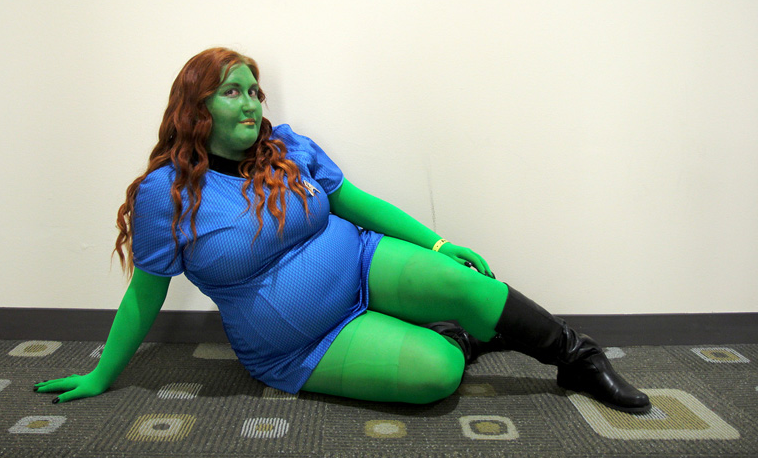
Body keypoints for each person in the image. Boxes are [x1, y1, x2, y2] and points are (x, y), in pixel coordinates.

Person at [34, 47, 651, 414]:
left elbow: (355, 203)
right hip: (299, 343)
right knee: (436, 373)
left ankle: (578, 357)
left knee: (468, 282)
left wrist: (437, 244)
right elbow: (144, 294)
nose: (251, 103)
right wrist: (102, 374)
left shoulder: (286, 148)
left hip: (360, 262)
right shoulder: (166, 194)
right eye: (232, 92)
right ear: (196, 109)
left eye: (254, 90)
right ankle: (457, 339)